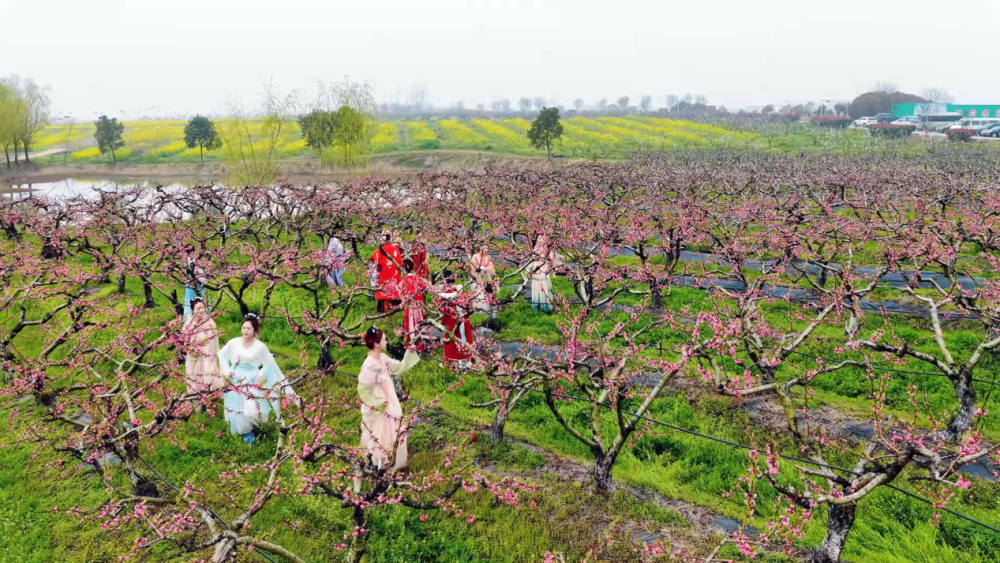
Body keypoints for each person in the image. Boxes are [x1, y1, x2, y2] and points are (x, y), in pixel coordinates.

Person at [217, 313, 299, 445]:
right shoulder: (233, 343)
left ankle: (250, 430)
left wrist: (260, 375)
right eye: (244, 328)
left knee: (250, 408)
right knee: (236, 406)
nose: (245, 331)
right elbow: (221, 354)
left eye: (249, 328)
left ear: (255, 330)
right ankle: (241, 432)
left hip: (251, 379)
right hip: (235, 378)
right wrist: (226, 371)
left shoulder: (260, 347)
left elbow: (269, 363)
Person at [357, 326, 420, 471]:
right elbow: (363, 389)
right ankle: (379, 463)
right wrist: (377, 402)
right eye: (384, 340)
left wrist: (409, 354)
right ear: (376, 344)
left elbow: (398, 367)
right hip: (380, 405)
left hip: (390, 401)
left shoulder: (383, 359)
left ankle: (393, 461)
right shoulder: (369, 366)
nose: (386, 342)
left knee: (395, 427)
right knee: (381, 433)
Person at [182, 298, 224, 401]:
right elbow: (185, 342)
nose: (201, 310)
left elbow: (215, 338)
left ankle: (209, 398)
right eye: (198, 308)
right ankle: (196, 399)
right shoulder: (188, 324)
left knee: (209, 376)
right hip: (194, 357)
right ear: (192, 310)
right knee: (195, 377)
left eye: (202, 307)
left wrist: (215, 355)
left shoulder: (209, 322)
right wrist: (191, 350)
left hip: (208, 356)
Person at [435, 270, 474, 369]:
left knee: (453, 342)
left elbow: (444, 311)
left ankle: (453, 362)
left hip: (452, 321)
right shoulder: (461, 291)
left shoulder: (446, 294)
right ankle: (466, 361)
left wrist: (442, 322)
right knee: (464, 338)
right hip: (463, 320)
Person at [370, 230, 403, 313]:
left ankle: (382, 313)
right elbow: (400, 263)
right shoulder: (396, 249)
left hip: (383, 277)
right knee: (394, 294)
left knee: (383, 293)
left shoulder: (380, 250)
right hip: (394, 277)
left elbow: (373, 259)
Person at [399, 259, 428, 351]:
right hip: (419, 307)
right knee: (420, 324)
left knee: (410, 326)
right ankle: (421, 345)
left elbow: (400, 293)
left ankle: (411, 345)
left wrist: (403, 302)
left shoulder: (403, 281)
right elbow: (428, 286)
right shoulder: (419, 279)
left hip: (409, 307)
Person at [530, 234, 560, 312]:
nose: (540, 240)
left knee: (543, 285)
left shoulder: (546, 248)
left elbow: (550, 258)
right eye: (539, 238)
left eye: (542, 238)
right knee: (536, 285)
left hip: (543, 268)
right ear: (536, 240)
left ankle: (545, 305)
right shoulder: (535, 248)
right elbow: (532, 258)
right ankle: (536, 304)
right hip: (536, 268)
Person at [469, 243, 497, 315]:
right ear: (480, 248)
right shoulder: (475, 256)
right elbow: (473, 267)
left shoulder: (488, 257)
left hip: (487, 278)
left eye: (487, 248)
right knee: (479, 296)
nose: (486, 250)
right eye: (484, 248)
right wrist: (479, 268)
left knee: (489, 295)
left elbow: (491, 268)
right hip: (478, 280)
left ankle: (490, 311)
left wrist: (485, 268)